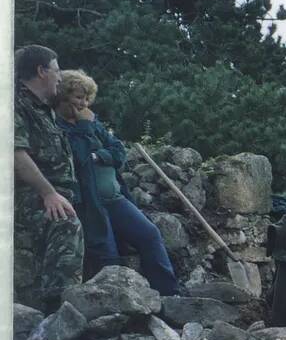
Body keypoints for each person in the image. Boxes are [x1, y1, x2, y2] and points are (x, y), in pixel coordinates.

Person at [53, 70, 180, 296]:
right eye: (78, 97)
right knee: (107, 254)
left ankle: (170, 295)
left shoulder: (92, 122)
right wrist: (86, 132)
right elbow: (78, 159)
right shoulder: (58, 128)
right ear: (62, 96)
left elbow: (119, 152)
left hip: (116, 199)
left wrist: (98, 156)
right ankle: (116, 311)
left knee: (150, 234)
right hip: (90, 205)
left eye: (86, 98)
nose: (83, 103)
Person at [13, 45, 85, 313]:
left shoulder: (44, 109)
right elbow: (15, 155)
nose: (60, 78)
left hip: (56, 191)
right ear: (41, 71)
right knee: (65, 222)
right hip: (27, 193)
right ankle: (60, 313)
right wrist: (48, 193)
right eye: (56, 71)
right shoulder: (16, 104)